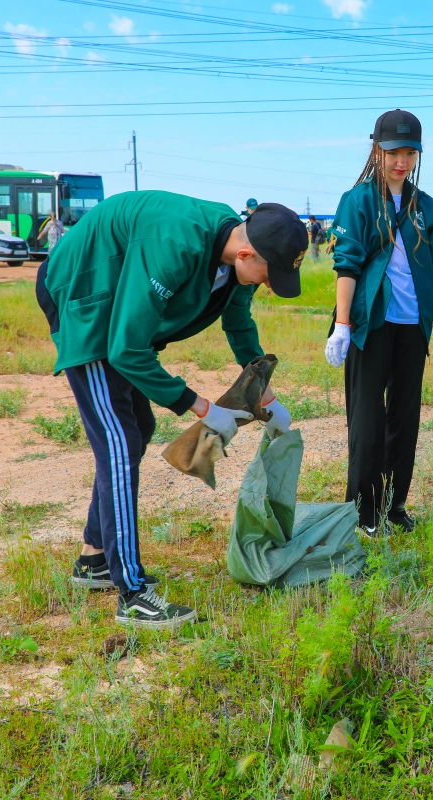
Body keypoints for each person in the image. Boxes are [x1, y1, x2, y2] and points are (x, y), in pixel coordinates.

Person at [36, 190, 308, 629]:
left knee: (137, 428)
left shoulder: (235, 256)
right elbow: (127, 349)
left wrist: (264, 394)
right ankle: (133, 595)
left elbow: (238, 322)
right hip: (84, 288)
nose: (267, 284)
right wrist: (200, 407)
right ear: (246, 253)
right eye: (267, 274)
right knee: (119, 442)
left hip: (119, 297)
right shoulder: (175, 245)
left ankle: (94, 559)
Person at [323, 109, 433, 534]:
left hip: (413, 328)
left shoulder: (424, 206)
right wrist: (342, 325)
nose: (401, 161)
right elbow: (347, 266)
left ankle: (394, 506)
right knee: (368, 421)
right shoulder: (357, 201)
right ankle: (363, 513)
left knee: (405, 421)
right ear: (377, 149)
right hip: (370, 326)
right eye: (393, 151)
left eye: (409, 152)